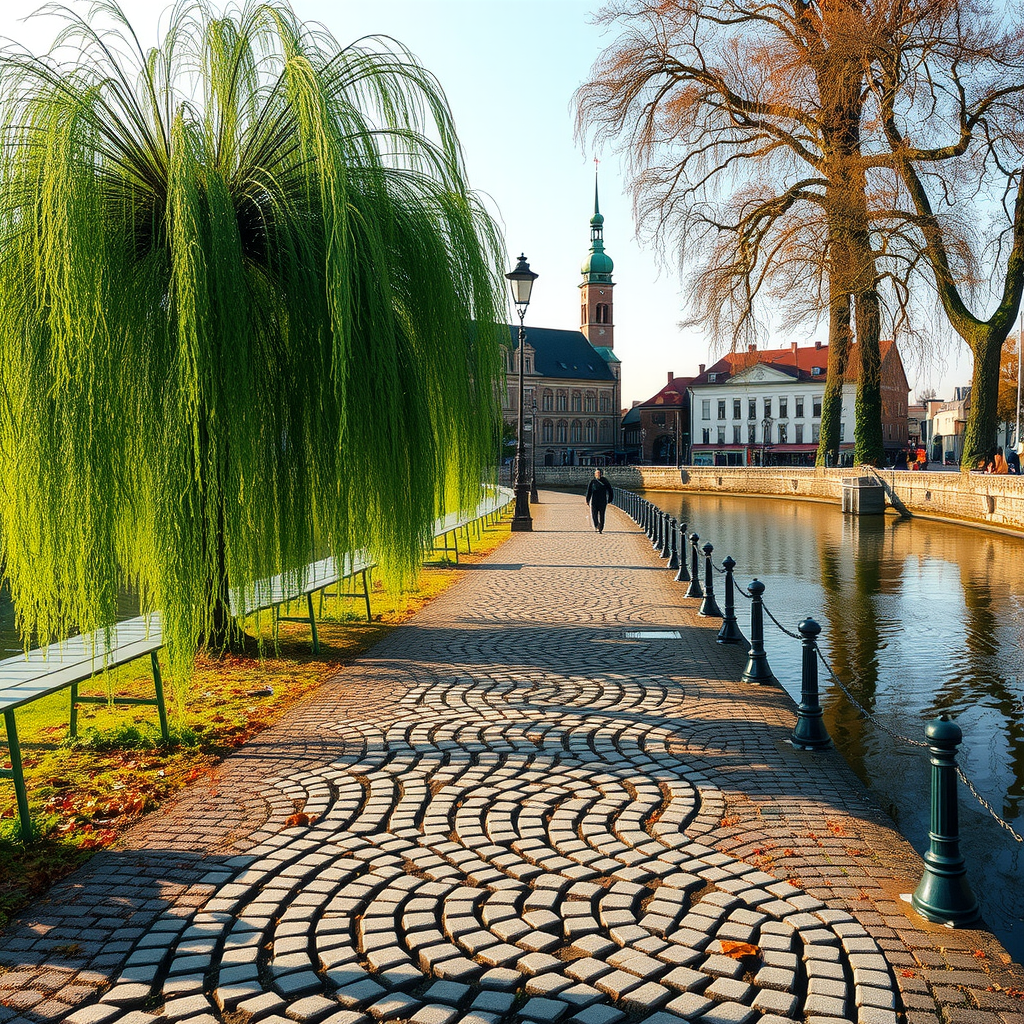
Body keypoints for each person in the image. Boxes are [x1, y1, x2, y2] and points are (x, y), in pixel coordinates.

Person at [585, 468, 614, 533]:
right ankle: (596, 525)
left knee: (602, 515)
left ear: (601, 474)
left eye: (599, 473)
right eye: (597, 473)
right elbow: (589, 491)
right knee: (594, 514)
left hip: (602, 500)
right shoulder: (592, 481)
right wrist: (587, 500)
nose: (598, 474)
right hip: (594, 500)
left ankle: (601, 528)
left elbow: (610, 490)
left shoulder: (605, 481)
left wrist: (610, 499)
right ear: (595, 474)